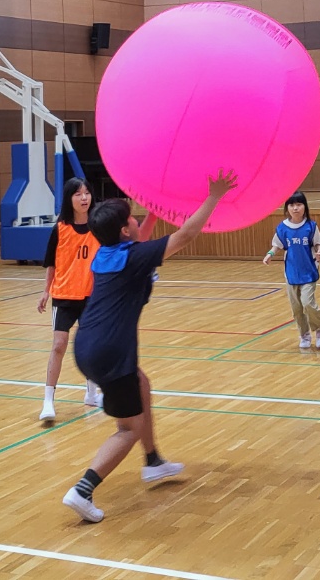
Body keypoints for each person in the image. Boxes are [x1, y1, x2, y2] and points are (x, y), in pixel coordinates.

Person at [63, 171, 237, 523]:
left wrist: (154, 208)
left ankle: (153, 461)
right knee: (127, 428)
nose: (135, 220)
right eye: (132, 218)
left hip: (87, 346)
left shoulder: (107, 254)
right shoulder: (134, 257)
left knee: (141, 385)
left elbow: (139, 237)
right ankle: (83, 489)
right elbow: (186, 235)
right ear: (125, 231)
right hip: (110, 351)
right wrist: (215, 195)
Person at [37, 177, 101, 425]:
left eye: (87, 193)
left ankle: (92, 393)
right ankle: (48, 401)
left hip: (91, 296)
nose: (84, 198)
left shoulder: (98, 226)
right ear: (69, 199)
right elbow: (51, 263)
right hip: (63, 296)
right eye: (78, 194)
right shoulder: (60, 228)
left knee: (91, 346)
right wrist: (45, 291)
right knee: (58, 345)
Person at [263, 192, 320, 350]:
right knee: (297, 308)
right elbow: (277, 245)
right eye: (292, 205)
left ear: (305, 207)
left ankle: (319, 329)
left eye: (299, 204)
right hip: (291, 273)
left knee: (308, 302)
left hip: (309, 272)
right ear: (287, 208)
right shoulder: (283, 228)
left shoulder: (311, 226)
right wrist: (270, 254)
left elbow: (319, 244)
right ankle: (304, 334)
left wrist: (319, 251)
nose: (295, 208)